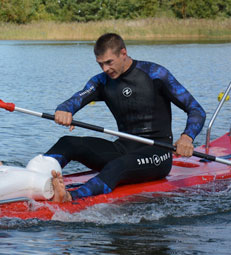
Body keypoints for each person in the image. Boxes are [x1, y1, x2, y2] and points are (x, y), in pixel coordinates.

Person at [44, 33, 206, 202]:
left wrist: (187, 138)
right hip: (123, 149)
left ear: (123, 53)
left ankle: (69, 198)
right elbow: (74, 101)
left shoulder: (155, 74)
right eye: (101, 64)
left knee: (118, 166)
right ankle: (34, 181)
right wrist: (64, 110)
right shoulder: (101, 81)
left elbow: (196, 110)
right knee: (67, 142)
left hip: (159, 153)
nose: (105, 69)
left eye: (109, 62)